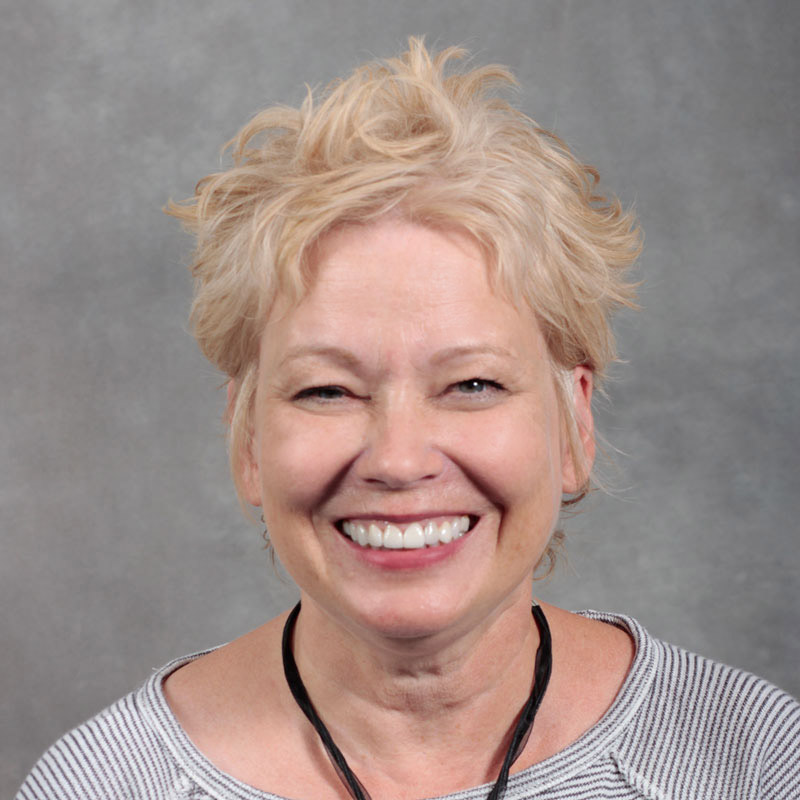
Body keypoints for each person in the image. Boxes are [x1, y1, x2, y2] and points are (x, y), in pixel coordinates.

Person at [18, 38, 799, 800]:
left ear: (575, 428)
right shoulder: (104, 785)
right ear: (248, 440)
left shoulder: (755, 763)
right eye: (327, 391)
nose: (397, 459)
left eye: (472, 384)